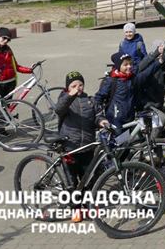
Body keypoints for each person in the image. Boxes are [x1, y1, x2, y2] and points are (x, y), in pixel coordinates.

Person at [54, 71, 105, 221]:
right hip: (71, 147)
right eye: (74, 85)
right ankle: (76, 209)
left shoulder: (90, 100)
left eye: (80, 84)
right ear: (67, 88)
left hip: (88, 146)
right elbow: (59, 109)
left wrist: (101, 121)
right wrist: (70, 95)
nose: (78, 88)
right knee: (72, 182)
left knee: (89, 178)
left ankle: (89, 205)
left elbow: (97, 115)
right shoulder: (65, 99)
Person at [95, 52, 162, 128]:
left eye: (130, 64)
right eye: (125, 65)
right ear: (118, 66)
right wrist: (99, 117)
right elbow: (98, 98)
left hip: (130, 119)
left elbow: (146, 73)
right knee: (117, 139)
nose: (129, 66)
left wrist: (160, 62)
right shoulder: (111, 81)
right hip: (114, 120)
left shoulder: (132, 79)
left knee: (131, 139)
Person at [0, 27, 33, 99]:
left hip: (10, 83)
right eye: (4, 38)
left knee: (7, 107)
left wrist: (30, 70)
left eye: (8, 39)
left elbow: (15, 66)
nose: (6, 41)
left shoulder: (8, 50)